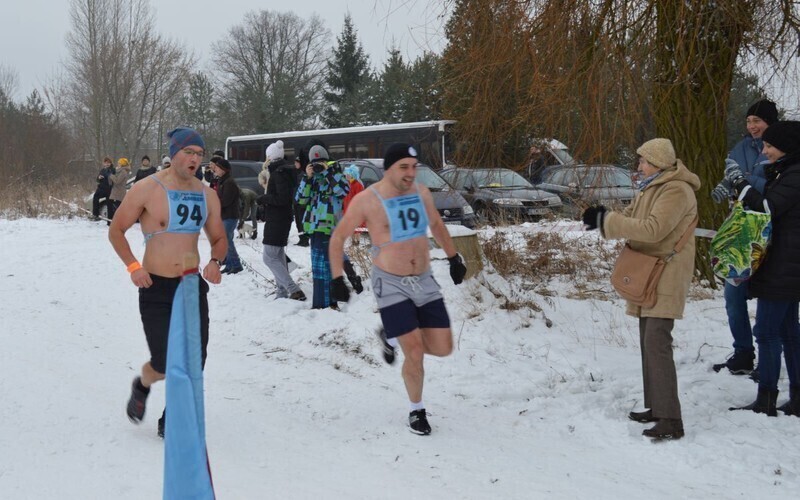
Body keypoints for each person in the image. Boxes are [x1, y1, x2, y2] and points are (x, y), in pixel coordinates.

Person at [329, 143, 468, 435]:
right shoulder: (368, 199)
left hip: (425, 280)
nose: (410, 173)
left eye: (413, 167)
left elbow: (438, 225)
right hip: (390, 282)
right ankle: (416, 410)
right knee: (414, 350)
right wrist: (336, 278)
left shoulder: (420, 193)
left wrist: (454, 257)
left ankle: (390, 335)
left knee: (443, 348)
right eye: (403, 167)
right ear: (388, 168)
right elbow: (338, 236)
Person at [108, 126, 226, 438]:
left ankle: (172, 416)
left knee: (194, 359)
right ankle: (142, 384)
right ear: (173, 154)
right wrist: (134, 266)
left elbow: (218, 238)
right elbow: (116, 230)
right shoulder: (146, 189)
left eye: (199, 154)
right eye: (189, 152)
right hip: (155, 286)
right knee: (162, 362)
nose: (195, 159)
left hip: (190, 286)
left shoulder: (207, 194)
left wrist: (215, 261)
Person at [582, 138, 699, 440]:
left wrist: (608, 221)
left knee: (657, 342)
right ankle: (657, 406)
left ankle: (671, 419)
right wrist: (602, 217)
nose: (639, 166)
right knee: (649, 340)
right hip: (652, 271)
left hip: (667, 272)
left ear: (658, 161)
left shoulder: (675, 189)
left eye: (643, 160)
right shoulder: (653, 186)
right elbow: (633, 218)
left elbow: (652, 230)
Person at [725, 121, 800, 417]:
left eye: (770, 146)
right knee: (788, 331)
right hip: (787, 264)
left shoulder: (795, 174)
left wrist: (740, 184)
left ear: (786, 146)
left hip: (783, 265)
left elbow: (768, 207)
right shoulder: (788, 171)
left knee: (767, 332)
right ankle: (796, 398)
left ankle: (766, 398)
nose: (765, 150)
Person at [711, 99, 776, 377]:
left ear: (770, 123)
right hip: (742, 232)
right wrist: (727, 185)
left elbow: (775, 187)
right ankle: (743, 353)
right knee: (733, 295)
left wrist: (744, 182)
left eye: (757, 121)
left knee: (770, 301)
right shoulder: (741, 147)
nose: (752, 126)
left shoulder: (780, 149)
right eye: (749, 121)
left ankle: (770, 359)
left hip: (771, 232)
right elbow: (732, 174)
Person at [295, 144, 350, 309]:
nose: (318, 166)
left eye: (321, 162)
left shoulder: (337, 176)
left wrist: (327, 173)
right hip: (315, 228)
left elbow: (342, 192)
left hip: (331, 228)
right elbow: (300, 200)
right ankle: (322, 304)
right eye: (315, 163)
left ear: (327, 161)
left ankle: (329, 303)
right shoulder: (311, 179)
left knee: (327, 266)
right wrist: (307, 177)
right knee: (319, 268)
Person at [257, 140, 306, 301]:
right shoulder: (284, 170)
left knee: (269, 257)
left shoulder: (278, 173)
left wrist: (264, 198)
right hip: (282, 218)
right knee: (277, 256)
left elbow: (282, 198)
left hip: (277, 219)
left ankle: (293, 289)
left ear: (270, 157)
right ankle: (282, 291)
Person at [210, 156, 243, 274]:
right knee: (226, 241)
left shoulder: (229, 182)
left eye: (217, 168)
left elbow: (226, 201)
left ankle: (236, 264)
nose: (215, 170)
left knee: (227, 241)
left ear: (223, 170)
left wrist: (214, 204)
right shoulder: (222, 181)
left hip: (230, 216)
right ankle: (229, 264)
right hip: (224, 216)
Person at [341, 164, 365, 294]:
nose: (347, 176)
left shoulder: (357, 185)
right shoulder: (346, 184)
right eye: (346, 175)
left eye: (349, 175)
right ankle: (353, 239)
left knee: (357, 227)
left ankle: (357, 241)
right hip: (347, 208)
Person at [293, 155, 309, 247]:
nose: (295, 164)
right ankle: (301, 238)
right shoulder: (295, 173)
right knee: (298, 221)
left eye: (297, 162)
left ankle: (305, 239)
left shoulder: (303, 174)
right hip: (295, 201)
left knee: (302, 221)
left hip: (302, 202)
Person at [108, 157, 131, 221]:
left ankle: (118, 219)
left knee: (117, 206)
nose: (118, 164)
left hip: (119, 191)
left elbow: (117, 181)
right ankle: (114, 218)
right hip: (115, 191)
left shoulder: (123, 172)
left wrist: (111, 175)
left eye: (119, 163)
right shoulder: (119, 170)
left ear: (122, 164)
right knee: (113, 204)